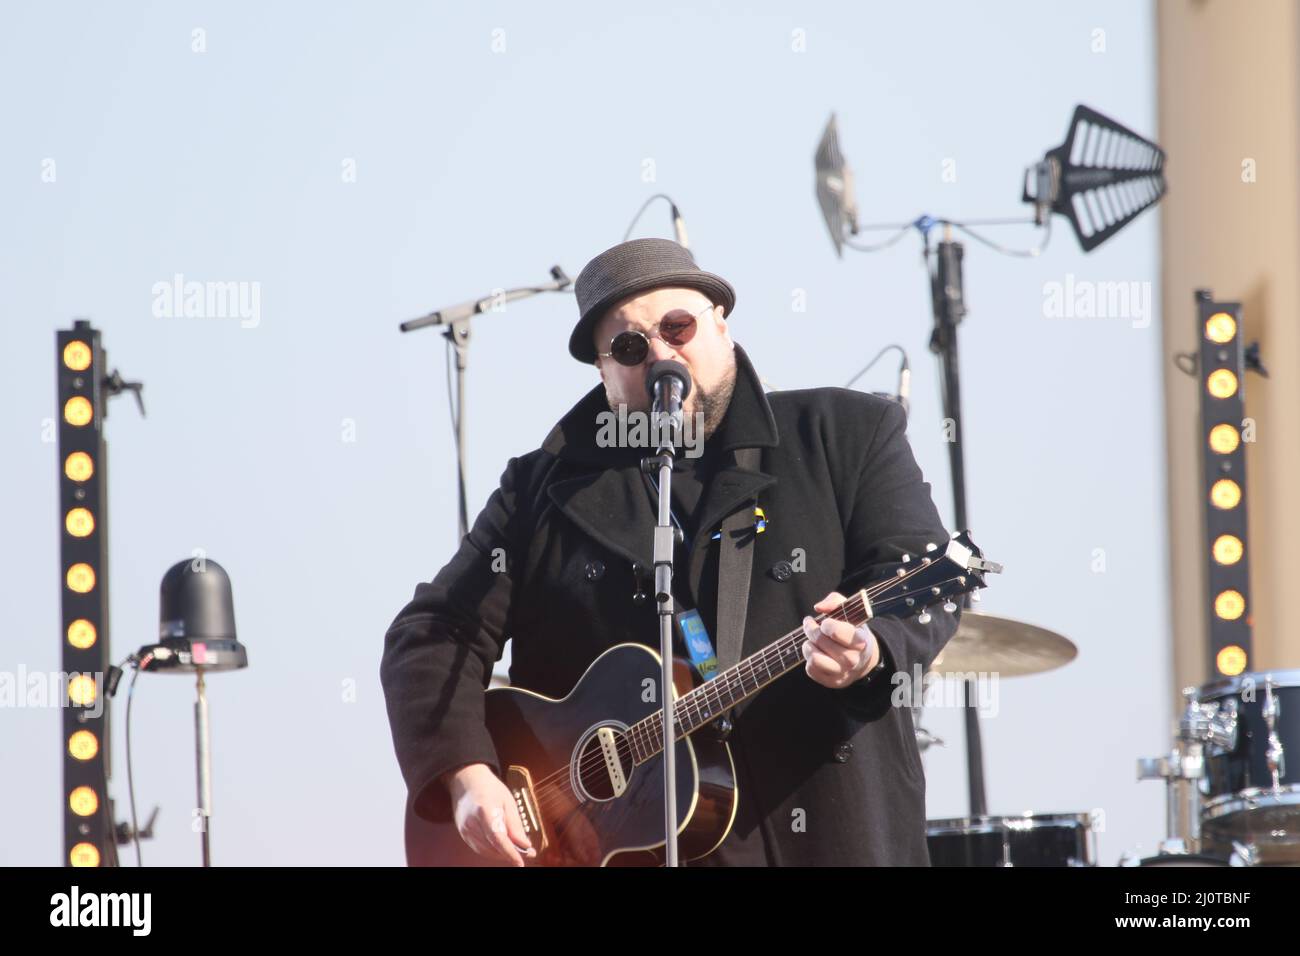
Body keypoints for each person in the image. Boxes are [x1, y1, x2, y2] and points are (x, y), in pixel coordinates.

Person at [381, 237, 959, 866]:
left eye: (677, 327)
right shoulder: (539, 489)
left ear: (721, 323)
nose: (660, 354)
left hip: (826, 835)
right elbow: (435, 631)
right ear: (604, 372)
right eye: (628, 347)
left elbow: (922, 571)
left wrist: (872, 653)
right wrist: (467, 776)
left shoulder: (844, 435)